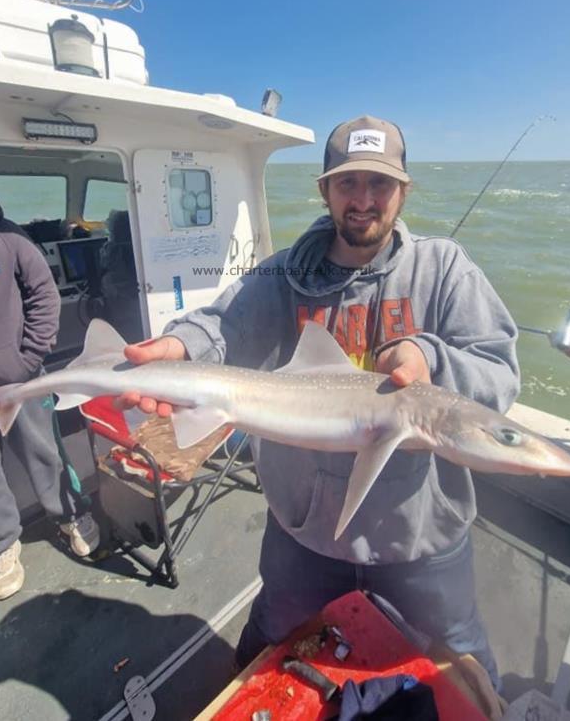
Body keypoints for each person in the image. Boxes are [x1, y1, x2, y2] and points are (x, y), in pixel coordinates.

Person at [116, 116, 520, 687]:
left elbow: (499, 370)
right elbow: (224, 324)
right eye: (347, 183)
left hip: (418, 527)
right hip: (306, 528)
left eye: (379, 184)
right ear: (324, 190)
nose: (363, 200)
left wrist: (430, 359)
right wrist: (179, 345)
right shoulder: (285, 274)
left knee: (462, 654)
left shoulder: (444, 268)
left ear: (403, 190)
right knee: (270, 639)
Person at [0, 147, 100, 599]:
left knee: (46, 452)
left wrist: (25, 360)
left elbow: (44, 298)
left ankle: (71, 514)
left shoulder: (9, 238)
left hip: (21, 378)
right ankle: (0, 547)